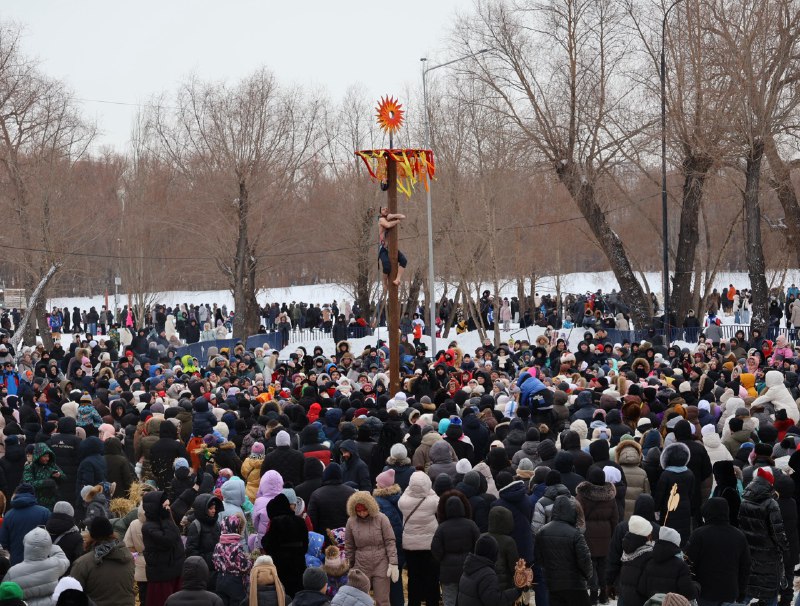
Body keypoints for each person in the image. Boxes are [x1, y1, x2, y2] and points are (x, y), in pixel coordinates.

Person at [684, 498, 750, 606]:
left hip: (704, 593)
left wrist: (690, 588)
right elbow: (745, 567)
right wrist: (742, 590)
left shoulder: (699, 534)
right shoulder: (739, 536)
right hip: (730, 592)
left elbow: (688, 563)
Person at [738, 467, 789, 606]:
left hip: (750, 553)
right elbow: (778, 532)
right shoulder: (771, 503)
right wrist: (785, 547)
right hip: (769, 556)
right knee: (770, 593)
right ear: (769, 484)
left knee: (748, 589)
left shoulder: (744, 501)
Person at [534, 495, 593, 606]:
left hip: (553, 585)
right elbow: (584, 560)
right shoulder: (575, 534)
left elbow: (539, 558)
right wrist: (587, 576)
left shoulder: (542, 532)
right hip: (576, 585)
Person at [344, 491, 398, 606]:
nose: (362, 513)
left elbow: (390, 541)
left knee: (382, 599)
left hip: (381, 562)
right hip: (361, 563)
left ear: (370, 507)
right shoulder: (351, 521)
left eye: (364, 510)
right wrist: (349, 565)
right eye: (359, 511)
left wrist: (393, 562)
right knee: (360, 599)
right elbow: (349, 545)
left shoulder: (381, 518)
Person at [70, 516, 135, 606]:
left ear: (91, 535)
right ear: (112, 533)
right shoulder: (128, 558)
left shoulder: (83, 563)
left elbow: (72, 596)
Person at [398, 470, 440, 606]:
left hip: (410, 545)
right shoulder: (432, 501)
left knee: (413, 577)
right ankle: (432, 602)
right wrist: (428, 490)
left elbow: (405, 493)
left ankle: (413, 602)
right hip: (429, 545)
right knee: (431, 578)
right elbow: (437, 500)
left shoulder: (403, 501)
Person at [432, 492, 481, 606]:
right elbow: (479, 544)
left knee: (450, 600)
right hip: (469, 569)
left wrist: (443, 559)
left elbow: (435, 548)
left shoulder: (442, 527)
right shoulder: (471, 525)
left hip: (448, 571)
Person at [3, 527, 70, 606]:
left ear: (25, 545)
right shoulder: (56, 564)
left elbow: (5, 592)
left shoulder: (13, 572)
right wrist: (49, 545)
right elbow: (64, 559)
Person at [142, 491, 185, 606]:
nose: (168, 509)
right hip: (162, 577)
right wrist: (167, 518)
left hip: (174, 572)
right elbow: (168, 540)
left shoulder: (163, 522)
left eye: (168, 505)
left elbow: (183, 502)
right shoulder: (149, 527)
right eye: (165, 506)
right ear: (156, 507)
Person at [262, 493, 309, 598]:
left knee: (283, 596)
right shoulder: (300, 521)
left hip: (281, 568)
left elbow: (268, 544)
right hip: (298, 566)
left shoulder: (275, 522)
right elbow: (305, 546)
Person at [456, 535, 520, 606]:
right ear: (492, 553)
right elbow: (494, 601)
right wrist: (517, 591)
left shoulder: (468, 569)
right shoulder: (487, 574)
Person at [638, 526, 697, 601]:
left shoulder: (649, 562)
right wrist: (697, 587)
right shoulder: (681, 566)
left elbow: (641, 589)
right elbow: (688, 594)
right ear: (676, 544)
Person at [0, 484, 51, 566]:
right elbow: (51, 538)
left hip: (17, 563)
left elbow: (4, 542)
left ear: (16, 495)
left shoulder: (9, 515)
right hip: (41, 562)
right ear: (33, 495)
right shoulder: (45, 512)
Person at [213, 514, 252, 606]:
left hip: (220, 579)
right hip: (235, 581)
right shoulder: (236, 546)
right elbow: (244, 567)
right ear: (235, 529)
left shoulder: (218, 545)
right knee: (237, 603)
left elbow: (215, 562)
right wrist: (250, 562)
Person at [378, 207, 407, 287]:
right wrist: (397, 221)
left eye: (386, 209)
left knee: (403, 260)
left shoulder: (390, 218)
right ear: (380, 212)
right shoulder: (381, 219)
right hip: (383, 248)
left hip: (392, 247)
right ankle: (384, 282)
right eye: (383, 209)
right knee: (387, 267)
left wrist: (392, 215)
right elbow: (387, 225)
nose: (385, 210)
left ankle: (398, 279)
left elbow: (403, 216)